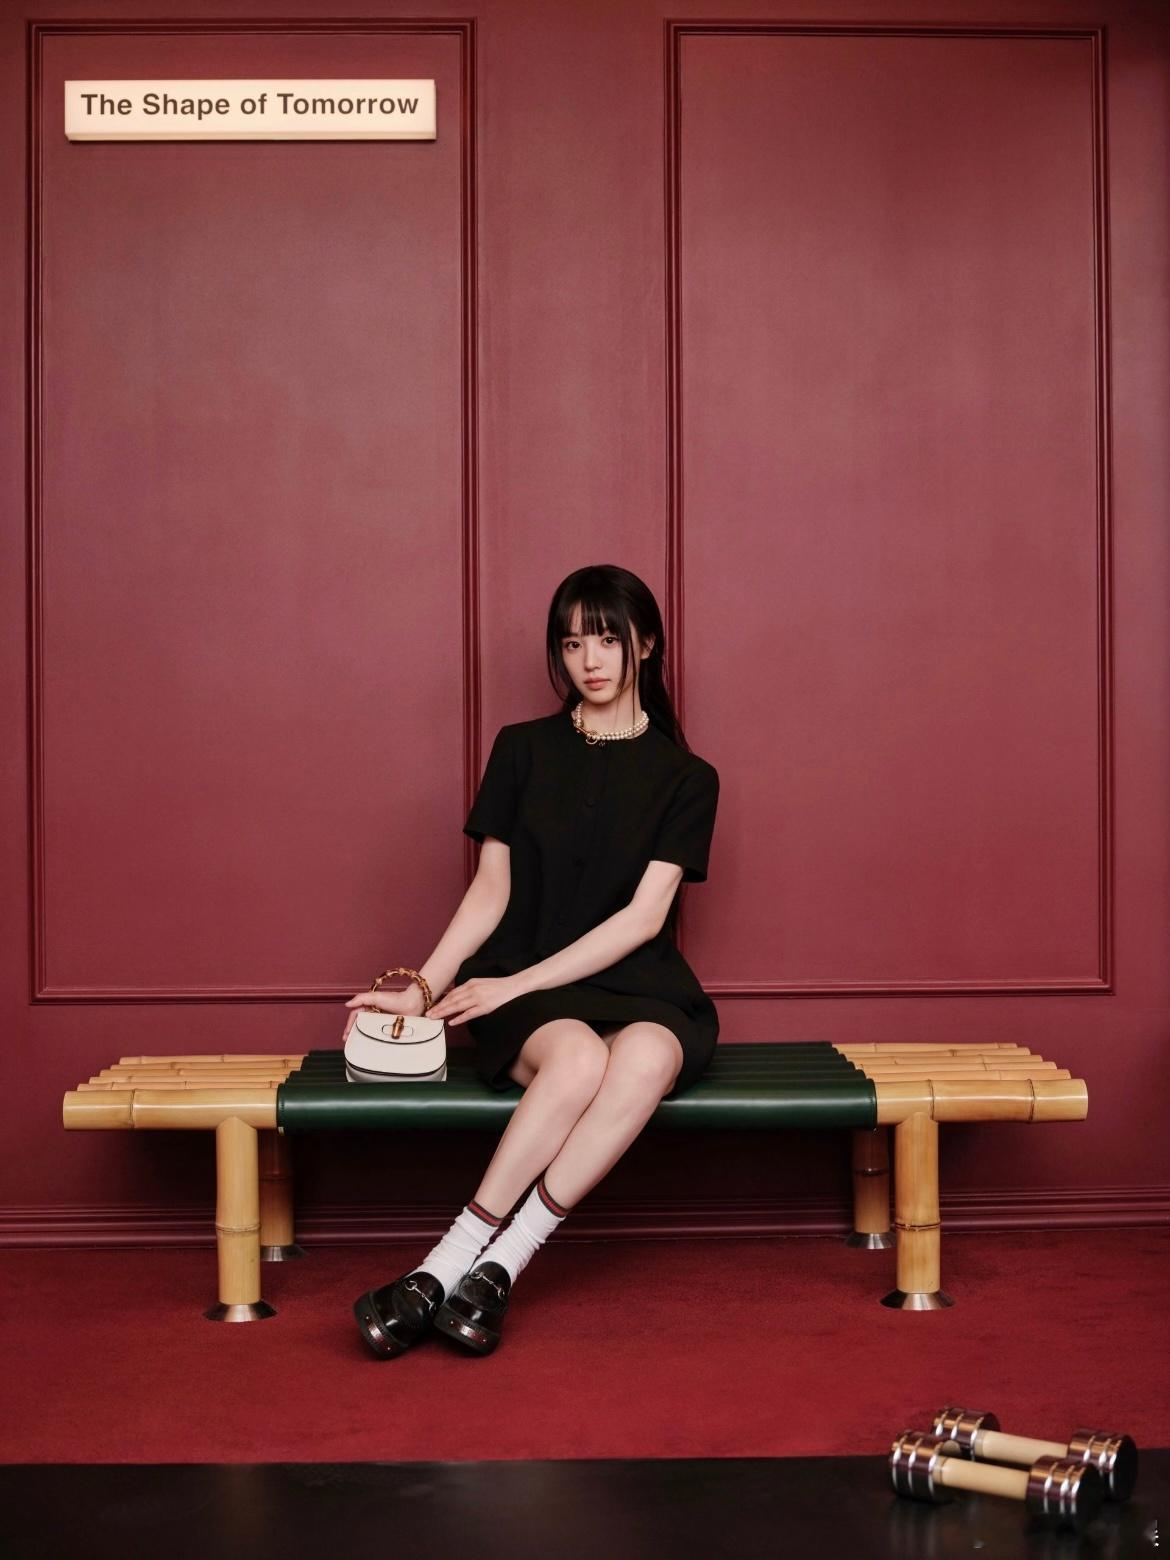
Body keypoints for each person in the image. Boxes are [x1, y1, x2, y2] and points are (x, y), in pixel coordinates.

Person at [350, 564, 720, 1357]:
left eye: (608, 639)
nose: (589, 659)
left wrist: (513, 983)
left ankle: (496, 1269)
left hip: (637, 984)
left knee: (649, 1054)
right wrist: (425, 987)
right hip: (528, 986)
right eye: (572, 643)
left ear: (646, 645)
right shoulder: (521, 750)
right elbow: (491, 891)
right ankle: (445, 1263)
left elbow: (642, 920)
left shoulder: (688, 778)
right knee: (580, 1057)